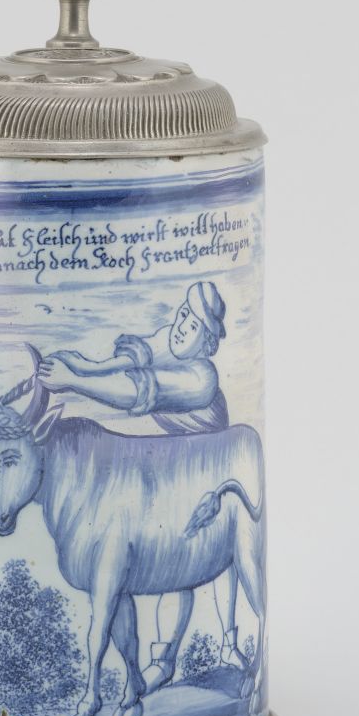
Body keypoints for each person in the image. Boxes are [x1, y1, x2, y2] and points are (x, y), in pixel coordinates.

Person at [37, 281, 249, 690]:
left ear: (208, 343)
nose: (182, 326)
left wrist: (75, 381)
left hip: (200, 467)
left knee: (182, 567)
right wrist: (85, 365)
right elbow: (136, 357)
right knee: (168, 563)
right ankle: (160, 663)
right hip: (170, 465)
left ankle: (172, 661)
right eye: (183, 315)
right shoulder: (174, 341)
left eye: (194, 325)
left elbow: (137, 390)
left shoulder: (200, 377)